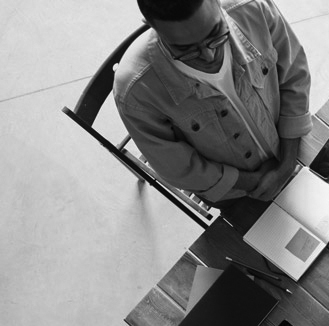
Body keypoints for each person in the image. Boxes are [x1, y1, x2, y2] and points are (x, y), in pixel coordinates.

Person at [114, 0, 311, 205]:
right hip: (238, 194)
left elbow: (295, 75)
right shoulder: (135, 91)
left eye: (215, 32)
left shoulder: (253, 8)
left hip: (293, 146)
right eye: (186, 49)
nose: (209, 55)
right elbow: (178, 168)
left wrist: (287, 165)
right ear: (149, 24)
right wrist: (255, 182)